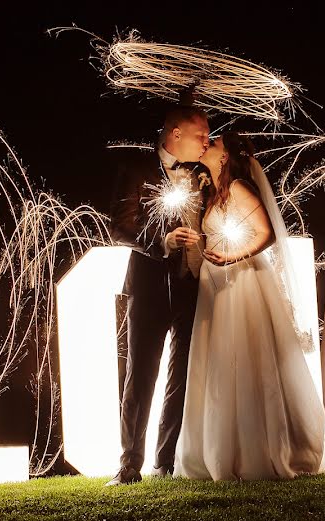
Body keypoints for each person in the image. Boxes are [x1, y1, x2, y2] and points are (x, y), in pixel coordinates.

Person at [174, 132, 325, 480]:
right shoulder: (214, 192)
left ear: (224, 157)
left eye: (214, 142)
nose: (207, 143)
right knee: (221, 362)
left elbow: (266, 233)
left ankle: (260, 449)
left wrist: (232, 256)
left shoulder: (237, 188)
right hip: (217, 285)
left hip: (242, 284)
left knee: (247, 358)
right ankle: (226, 448)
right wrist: (199, 242)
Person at [105, 105, 211, 486]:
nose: (207, 143)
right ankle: (129, 464)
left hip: (193, 286)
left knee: (181, 377)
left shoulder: (203, 174)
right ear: (176, 134)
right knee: (141, 375)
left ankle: (164, 462)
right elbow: (118, 228)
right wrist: (161, 243)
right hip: (149, 288)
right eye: (201, 135)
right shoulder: (135, 168)